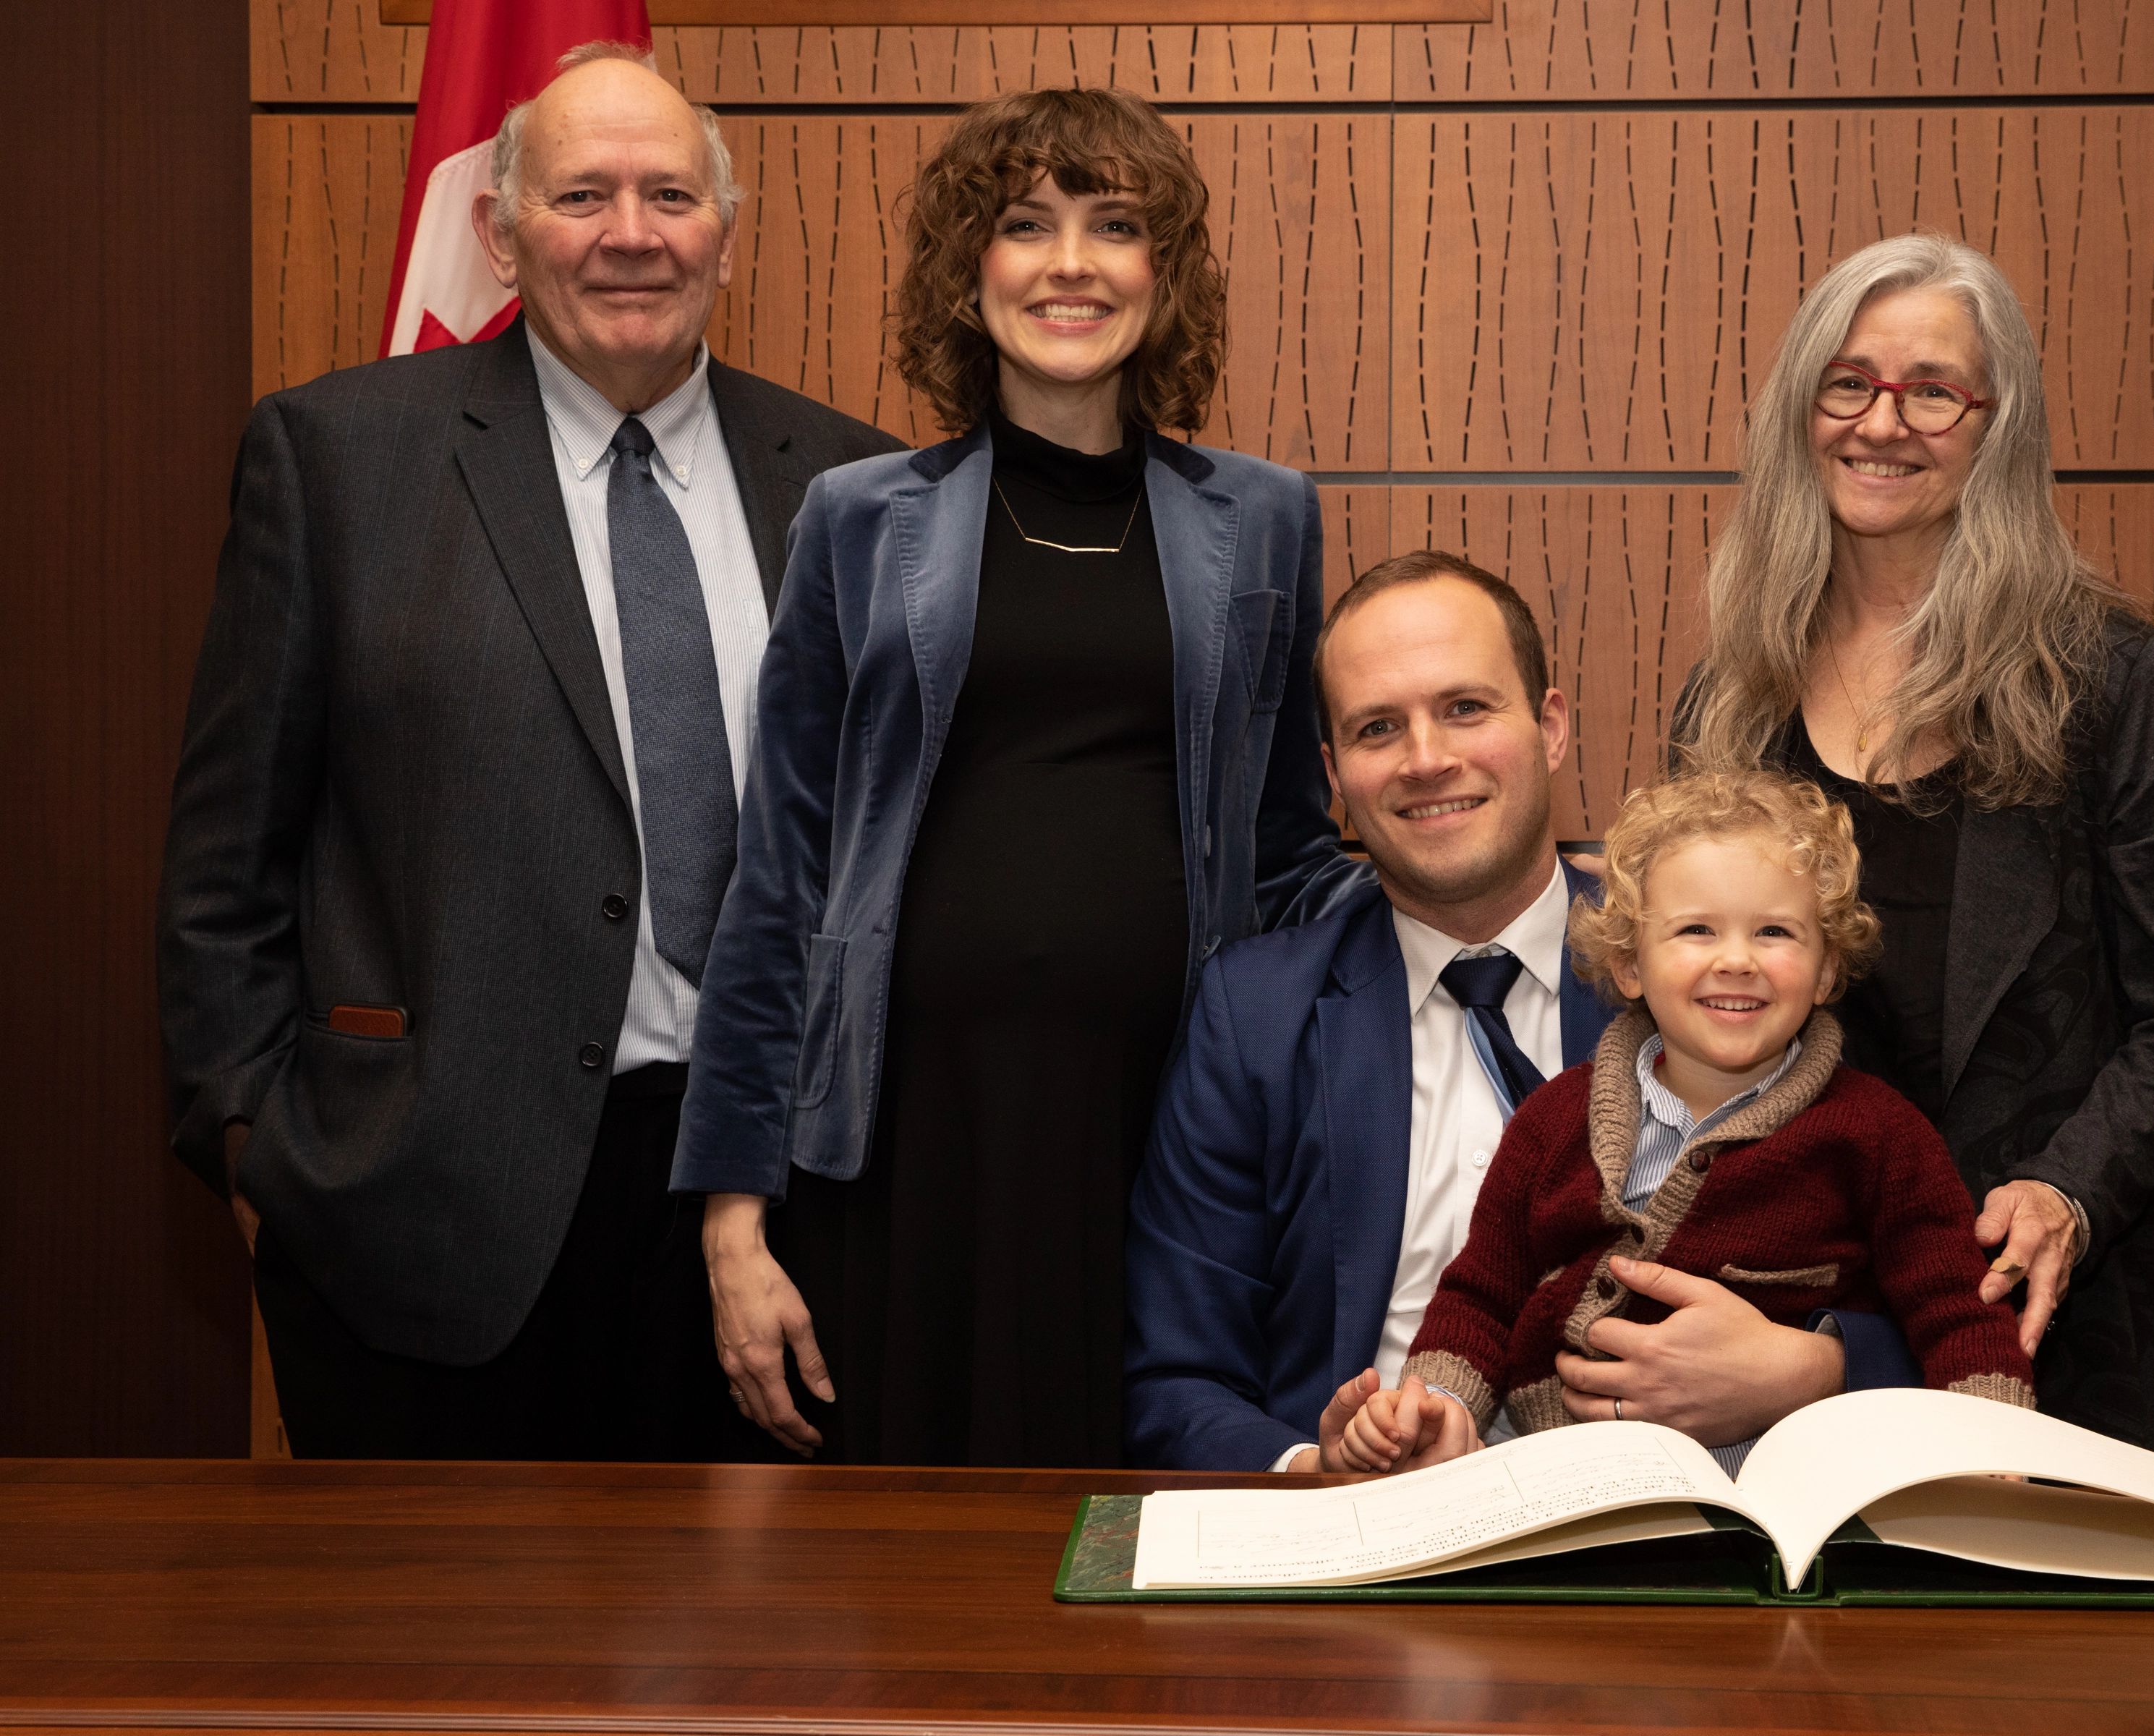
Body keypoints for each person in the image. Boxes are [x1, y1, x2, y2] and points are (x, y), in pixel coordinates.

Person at [156, 43, 906, 1459]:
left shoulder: (857, 489)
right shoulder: (337, 460)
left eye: (670, 195)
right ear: (500, 234)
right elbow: (226, 865)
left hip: (780, 1214)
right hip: (427, 1215)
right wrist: (258, 1152)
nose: (632, 234)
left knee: (768, 1607)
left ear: (725, 232)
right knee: (440, 1612)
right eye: (581, 196)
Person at [670, 87, 1358, 1468]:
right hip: (902, 1137)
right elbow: (782, 875)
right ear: (968, 268)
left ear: (1165, 272)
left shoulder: (1266, 516)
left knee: (1142, 1502)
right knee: (908, 1539)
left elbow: (1291, 845)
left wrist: (1500, 912)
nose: (1071, 265)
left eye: (1116, 227)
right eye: (1027, 225)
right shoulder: (858, 519)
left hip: (1168, 1124)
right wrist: (732, 1214)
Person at [1677, 231, 2154, 1484]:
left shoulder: (2103, 676)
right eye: (1849, 383)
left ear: (1999, 427)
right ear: (1801, 411)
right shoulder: (1731, 702)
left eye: (1933, 390)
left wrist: (2067, 1194)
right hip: (1810, 1340)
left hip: (2082, 1331)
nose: (1882, 422)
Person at [1125, 552, 1920, 1474]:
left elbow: (1926, 1276)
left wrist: (1813, 1368)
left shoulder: (1717, 966)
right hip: (1364, 1522)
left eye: (1466, 707)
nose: (1429, 759)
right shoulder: (1255, 1015)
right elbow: (1174, 1381)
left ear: (1550, 727)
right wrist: (1319, 1470)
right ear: (1335, 773)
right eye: (1379, 728)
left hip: (1671, 1510)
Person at [1331, 770, 2035, 1475]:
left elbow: (1958, 1315)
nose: (1737, 960)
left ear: (1825, 971)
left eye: (1775, 932)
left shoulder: (1880, 1137)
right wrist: (1435, 1405)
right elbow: (1481, 1297)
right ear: (1630, 964)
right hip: (1559, 1473)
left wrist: (1998, 1451)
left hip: (1786, 1483)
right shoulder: (1551, 1121)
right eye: (1697, 930)